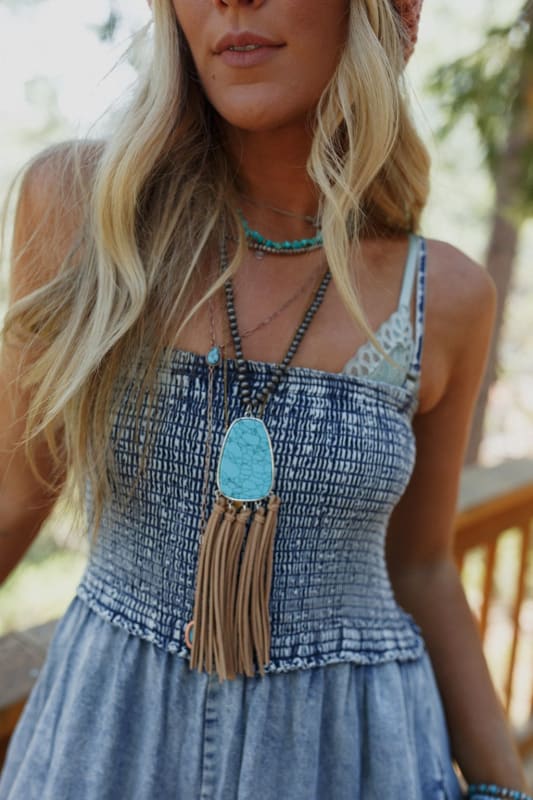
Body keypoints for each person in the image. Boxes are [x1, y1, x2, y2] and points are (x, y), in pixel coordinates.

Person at [0, 0, 531, 798]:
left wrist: (503, 788)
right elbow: (12, 498)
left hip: (353, 757)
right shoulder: (85, 214)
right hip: (106, 748)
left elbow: (419, 566)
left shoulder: (444, 296)